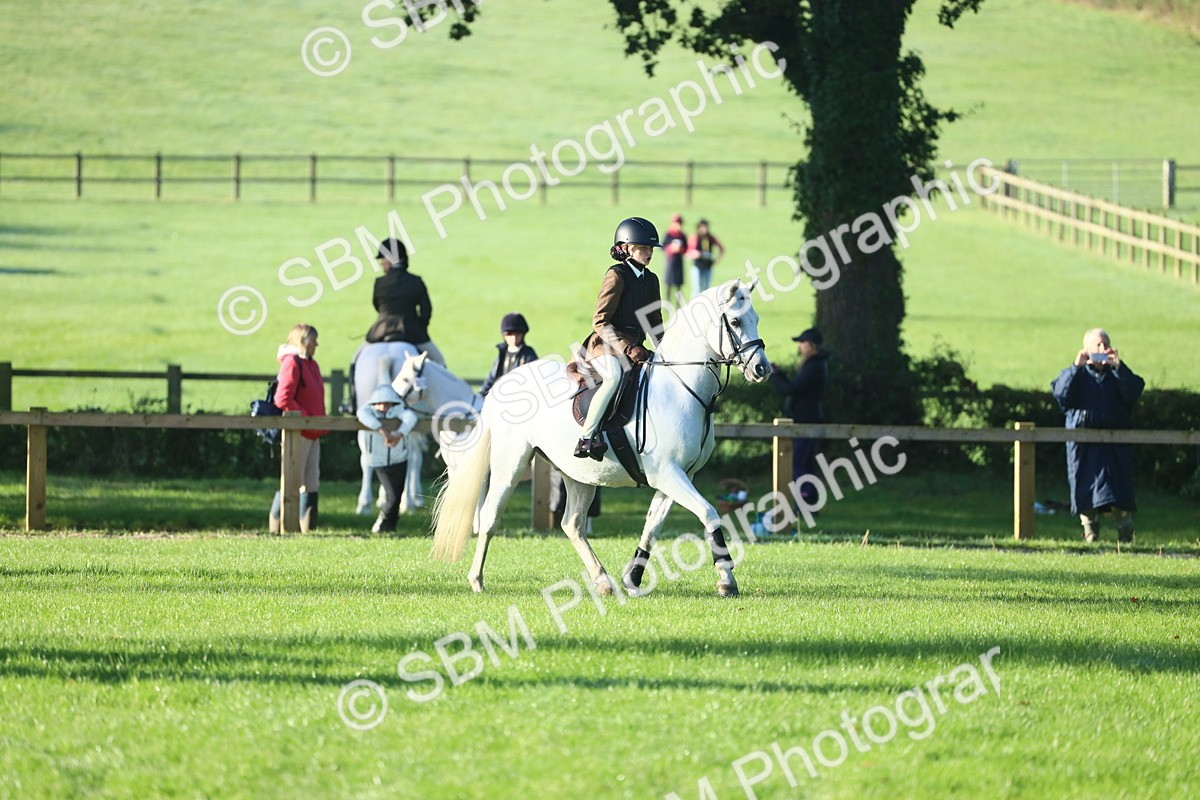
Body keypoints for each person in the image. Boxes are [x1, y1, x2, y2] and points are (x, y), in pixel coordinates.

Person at [575, 217, 664, 460]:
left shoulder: (652, 279)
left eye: (651, 248)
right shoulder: (616, 275)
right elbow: (600, 321)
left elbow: (655, 323)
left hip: (636, 348)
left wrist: (665, 351)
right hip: (606, 346)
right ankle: (586, 437)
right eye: (643, 248)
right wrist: (627, 347)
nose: (649, 253)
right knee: (613, 377)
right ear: (626, 248)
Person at [1051, 327, 1145, 544]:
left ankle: (1125, 537)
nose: (1102, 348)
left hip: (1116, 445)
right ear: (1086, 349)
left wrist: (1119, 367)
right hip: (1083, 447)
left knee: (1119, 492)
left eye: (1106, 344)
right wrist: (1076, 367)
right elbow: (1061, 394)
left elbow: (1135, 391)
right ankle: (1090, 535)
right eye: (1098, 345)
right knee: (1086, 491)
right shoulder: (1077, 374)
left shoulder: (1117, 375)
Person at [268, 324, 329, 533]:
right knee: (292, 480)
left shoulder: (311, 364)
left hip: (313, 431)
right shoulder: (292, 363)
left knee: (311, 482)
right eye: (313, 340)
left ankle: (308, 531)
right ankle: (277, 529)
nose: (316, 344)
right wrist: (304, 417)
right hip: (298, 431)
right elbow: (282, 398)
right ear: (302, 341)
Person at [769, 328, 829, 506]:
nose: (800, 346)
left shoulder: (814, 366)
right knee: (805, 463)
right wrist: (779, 373)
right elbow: (796, 386)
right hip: (806, 420)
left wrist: (773, 375)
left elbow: (792, 389)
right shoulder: (815, 364)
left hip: (806, 421)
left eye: (802, 343)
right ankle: (809, 500)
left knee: (800, 463)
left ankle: (805, 501)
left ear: (811, 345)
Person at [364, 237, 446, 366]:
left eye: (383, 258)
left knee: (355, 361)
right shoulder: (416, 281)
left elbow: (377, 306)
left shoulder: (379, 282)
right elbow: (426, 311)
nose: (381, 263)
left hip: (381, 330)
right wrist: (419, 326)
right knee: (439, 362)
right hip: (412, 331)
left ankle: (353, 379)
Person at [356, 384, 419, 533]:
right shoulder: (368, 411)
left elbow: (411, 417)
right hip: (378, 460)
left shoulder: (399, 411)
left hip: (399, 458)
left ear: (393, 404)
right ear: (374, 403)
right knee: (392, 496)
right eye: (380, 403)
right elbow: (361, 414)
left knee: (397, 495)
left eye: (387, 404)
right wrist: (382, 431)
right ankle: (380, 523)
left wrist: (398, 434)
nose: (384, 407)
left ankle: (390, 526)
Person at [481, 312, 539, 397]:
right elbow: (491, 378)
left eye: (517, 334)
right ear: (504, 336)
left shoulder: (528, 354)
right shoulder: (502, 354)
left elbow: (534, 380)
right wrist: (481, 395)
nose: (514, 338)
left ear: (523, 334)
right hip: (500, 397)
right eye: (510, 334)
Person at [685, 218, 725, 296]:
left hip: (708, 266)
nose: (704, 229)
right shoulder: (695, 237)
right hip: (697, 266)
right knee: (696, 288)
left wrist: (716, 259)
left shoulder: (710, 238)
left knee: (707, 289)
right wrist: (696, 254)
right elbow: (688, 251)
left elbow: (721, 248)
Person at [662, 213, 688, 306]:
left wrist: (680, 250)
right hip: (670, 262)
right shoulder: (669, 234)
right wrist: (671, 249)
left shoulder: (682, 235)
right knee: (668, 285)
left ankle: (678, 305)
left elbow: (686, 248)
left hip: (679, 262)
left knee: (678, 286)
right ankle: (667, 304)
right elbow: (663, 246)